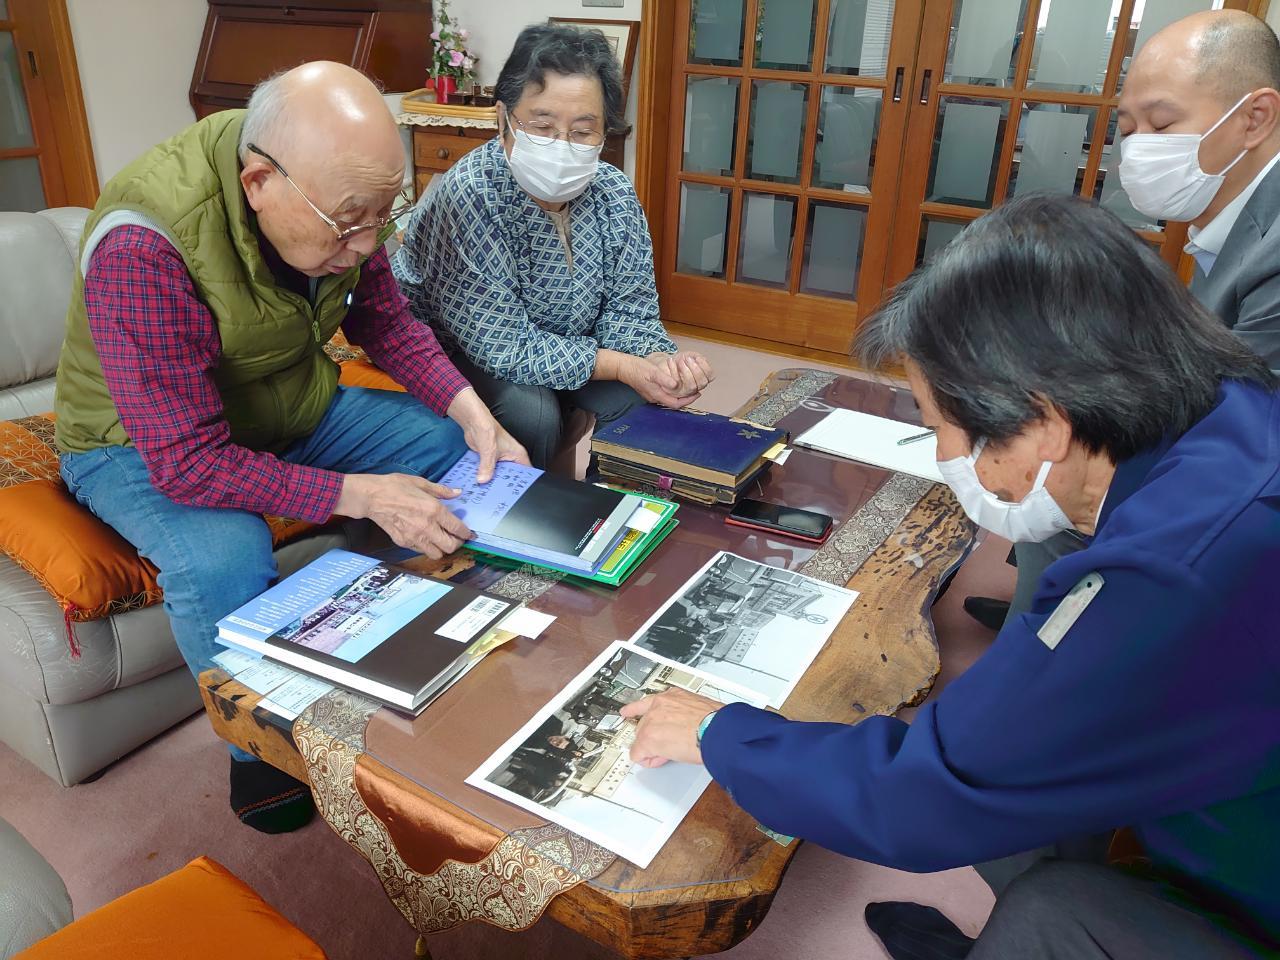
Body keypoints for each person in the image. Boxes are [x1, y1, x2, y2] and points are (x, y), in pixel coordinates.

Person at [621, 195, 1280, 959]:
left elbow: (929, 792)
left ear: (1044, 423)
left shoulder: (1168, 577)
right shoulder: (1233, 406)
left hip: (1246, 899)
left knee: (1050, 905)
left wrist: (720, 733)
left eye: (941, 426)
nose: (943, 457)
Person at [54, 62, 527, 834]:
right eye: (351, 224)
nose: (368, 242)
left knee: (438, 442)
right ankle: (260, 750)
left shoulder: (339, 200)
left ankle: (411, 634)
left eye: (382, 216)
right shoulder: (142, 244)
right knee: (223, 554)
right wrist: (363, 495)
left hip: (282, 401)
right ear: (259, 183)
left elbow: (387, 321)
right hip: (133, 441)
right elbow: (188, 461)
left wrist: (469, 409)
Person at [964, 8, 1280, 632]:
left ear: (1254, 117)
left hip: (1248, 479)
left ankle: (1044, 654)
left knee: (1060, 475)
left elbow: (1242, 429)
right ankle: (1047, 600)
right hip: (1233, 434)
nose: (1139, 147)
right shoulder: (1239, 210)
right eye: (1128, 126)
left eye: (1162, 123)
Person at [393, 23, 714, 469]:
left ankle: (612, 517)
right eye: (542, 126)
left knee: (643, 398)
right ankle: (524, 524)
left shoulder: (613, 193)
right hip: (461, 350)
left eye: (583, 132)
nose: (562, 146)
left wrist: (661, 361)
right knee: (533, 413)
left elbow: (631, 311)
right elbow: (502, 348)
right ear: (503, 117)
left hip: (569, 345)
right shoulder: (471, 194)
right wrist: (621, 365)